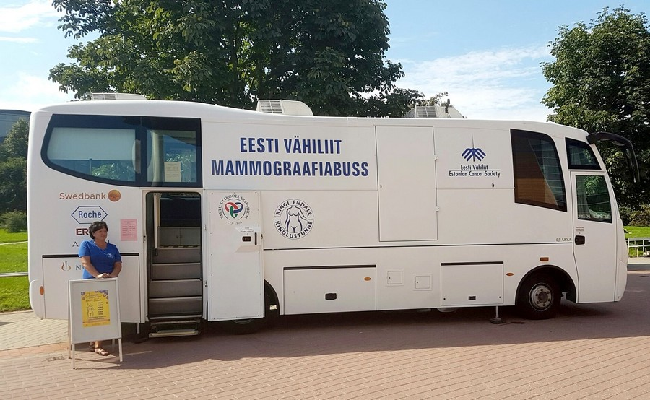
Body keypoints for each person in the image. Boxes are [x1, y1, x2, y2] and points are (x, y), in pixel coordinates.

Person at [78, 221, 122, 356]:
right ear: (93, 233)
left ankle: (98, 345)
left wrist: (112, 276)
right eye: (100, 231)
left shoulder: (112, 248)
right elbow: (85, 263)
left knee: (104, 314)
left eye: (105, 231)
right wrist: (97, 276)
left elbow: (118, 265)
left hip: (108, 284)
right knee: (93, 314)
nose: (103, 233)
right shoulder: (86, 245)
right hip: (91, 283)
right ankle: (94, 343)